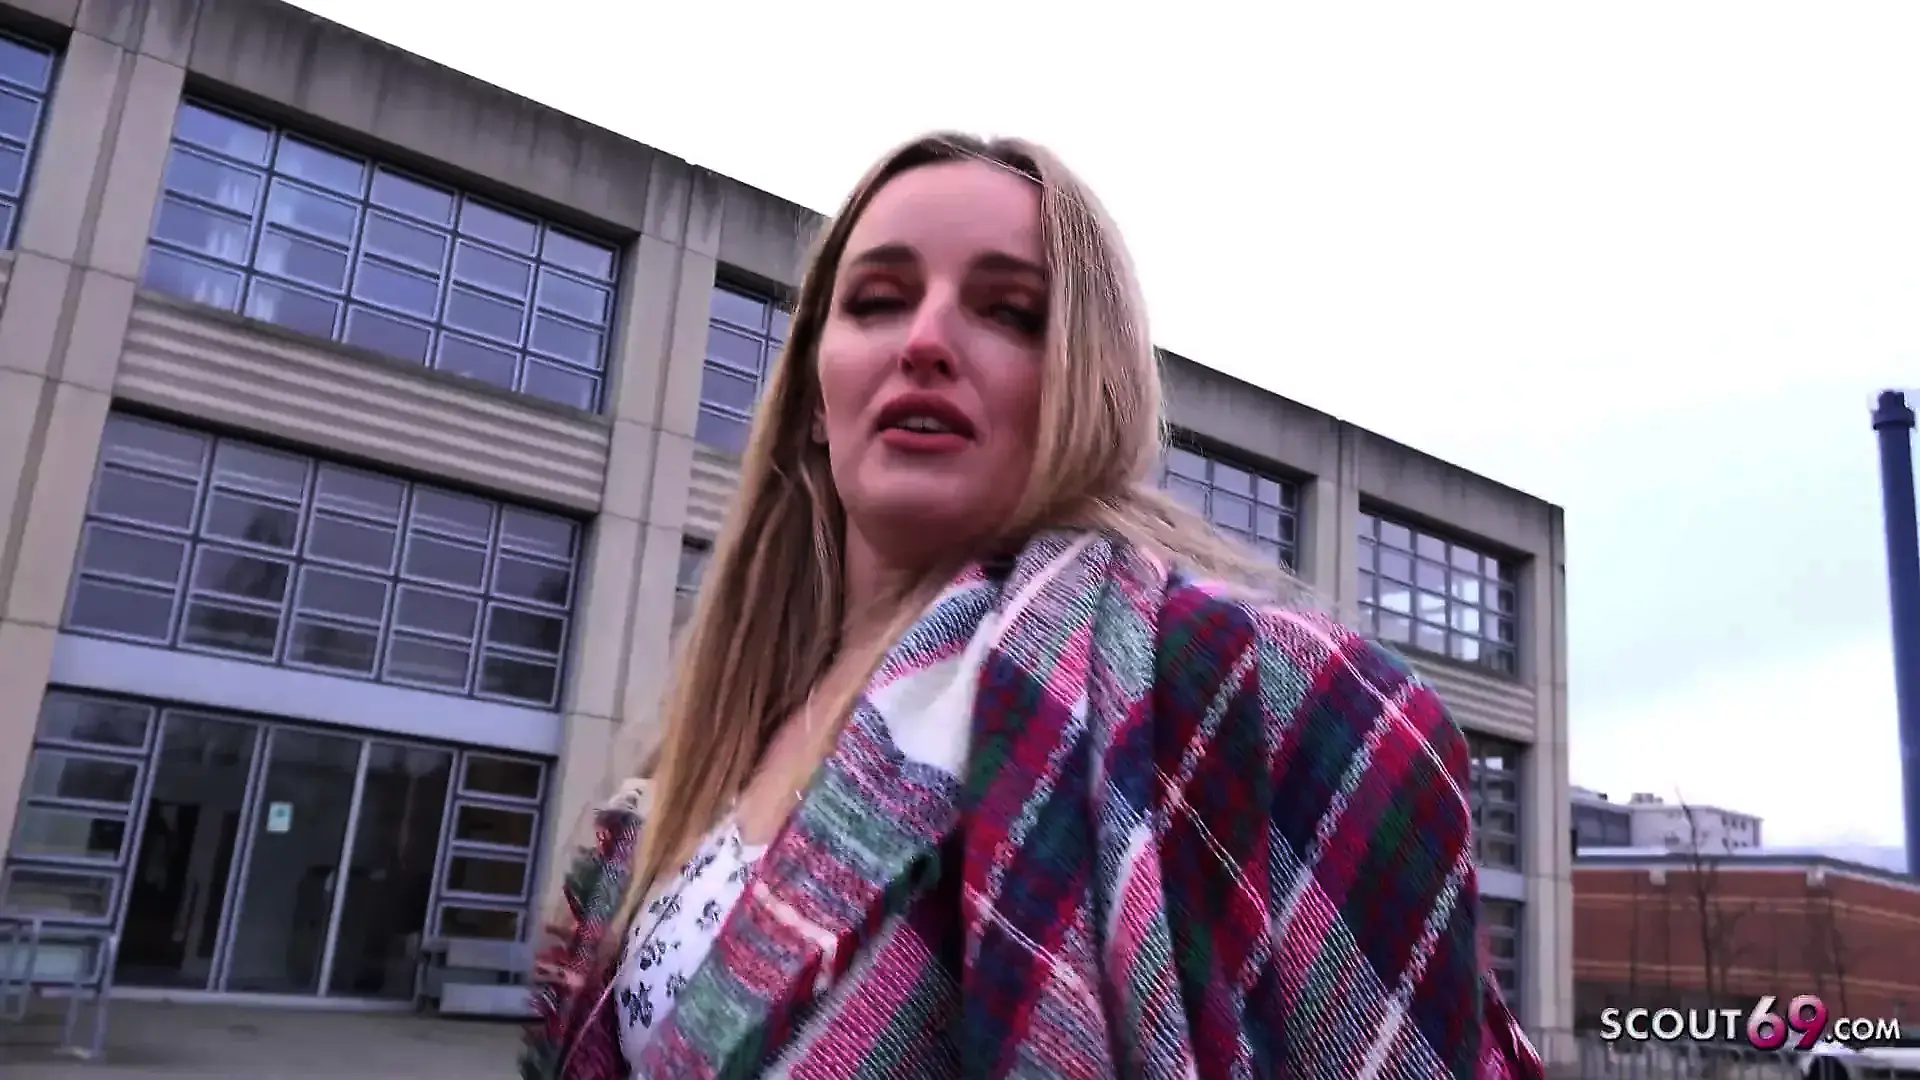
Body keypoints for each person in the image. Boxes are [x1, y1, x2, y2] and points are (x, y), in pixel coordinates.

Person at [520, 132, 1545, 1080]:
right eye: (877, 300)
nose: (926, 340)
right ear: (816, 401)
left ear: (1083, 388)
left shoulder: (1241, 685)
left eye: (1010, 312)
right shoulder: (708, 751)